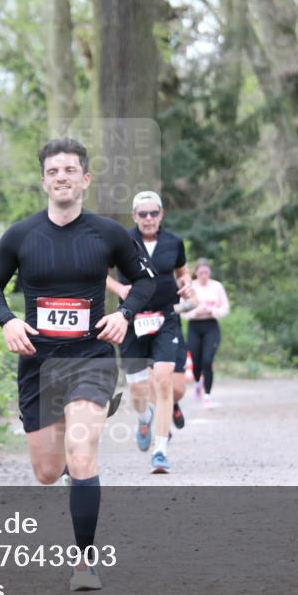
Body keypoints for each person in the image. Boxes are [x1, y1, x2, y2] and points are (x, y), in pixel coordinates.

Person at [0, 138, 155, 591]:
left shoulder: (108, 234)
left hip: (90, 360)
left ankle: (83, 563)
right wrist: (7, 322)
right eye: (54, 171)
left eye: (70, 170)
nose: (62, 177)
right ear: (44, 181)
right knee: (46, 471)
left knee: (82, 455)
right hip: (38, 364)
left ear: (85, 179)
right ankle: (73, 468)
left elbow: (145, 282)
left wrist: (124, 314)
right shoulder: (21, 235)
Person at [106, 191, 193, 474]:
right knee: (138, 390)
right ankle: (145, 418)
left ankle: (160, 450)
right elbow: (100, 271)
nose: (148, 219)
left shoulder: (173, 242)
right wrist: (119, 289)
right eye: (142, 214)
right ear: (134, 216)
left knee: (165, 380)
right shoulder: (122, 241)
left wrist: (186, 284)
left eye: (153, 213)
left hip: (165, 317)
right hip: (131, 320)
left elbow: (182, 271)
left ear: (161, 215)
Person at [182, 259, 230, 408]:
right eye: (200, 272)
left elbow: (225, 307)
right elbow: (182, 310)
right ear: (196, 273)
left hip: (211, 326)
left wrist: (212, 311)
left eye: (206, 272)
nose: (203, 275)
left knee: (207, 361)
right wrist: (196, 312)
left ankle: (207, 396)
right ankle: (197, 383)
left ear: (210, 272)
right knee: (196, 362)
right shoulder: (190, 288)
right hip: (194, 327)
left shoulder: (217, 287)